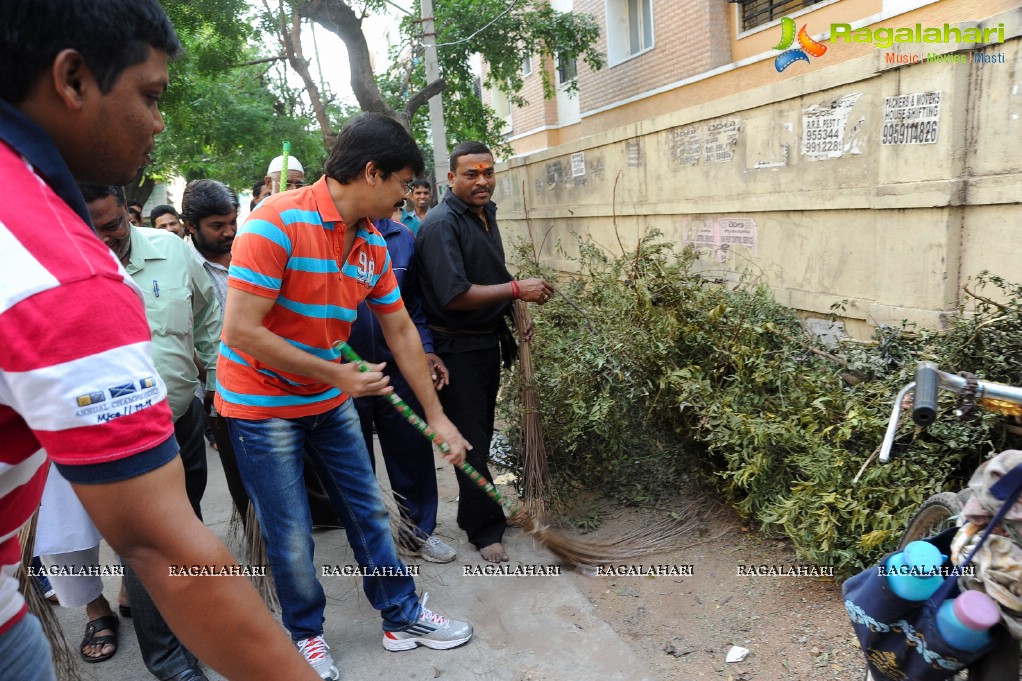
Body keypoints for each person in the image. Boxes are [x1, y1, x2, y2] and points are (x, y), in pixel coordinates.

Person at [0, 2, 320, 679]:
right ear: (74, 79)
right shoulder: (58, 270)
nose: (158, 121)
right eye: (150, 95)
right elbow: (162, 546)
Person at [216, 112, 474, 680]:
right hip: (262, 408)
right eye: (404, 184)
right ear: (372, 173)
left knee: (369, 512)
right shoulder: (273, 224)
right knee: (289, 533)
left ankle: (401, 613)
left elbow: (401, 330)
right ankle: (304, 635)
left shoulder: (372, 245)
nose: (408, 198)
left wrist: (437, 419)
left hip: (327, 401)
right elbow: (241, 331)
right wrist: (339, 377)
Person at [415, 141, 554, 564]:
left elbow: (490, 272)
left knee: (482, 430)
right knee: (471, 440)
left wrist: (514, 309)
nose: (482, 181)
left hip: (486, 340)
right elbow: (454, 294)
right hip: (456, 348)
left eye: (488, 172)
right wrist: (517, 290)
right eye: (471, 174)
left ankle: (484, 508)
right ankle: (482, 529)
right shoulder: (441, 225)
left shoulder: (485, 213)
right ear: (450, 180)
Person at [181, 179, 340, 530]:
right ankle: (263, 545)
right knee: (246, 479)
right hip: (222, 387)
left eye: (232, 222)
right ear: (191, 226)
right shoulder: (180, 266)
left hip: (277, 375)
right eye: (217, 226)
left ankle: (312, 523)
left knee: (297, 467)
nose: (228, 232)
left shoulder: (250, 248)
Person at [348, 216, 456, 563]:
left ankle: (417, 534)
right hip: (342, 370)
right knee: (352, 461)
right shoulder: (324, 234)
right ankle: (369, 544)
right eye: (399, 183)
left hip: (398, 368)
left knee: (412, 452)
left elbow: (413, 307)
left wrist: (424, 350)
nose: (403, 195)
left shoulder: (402, 237)